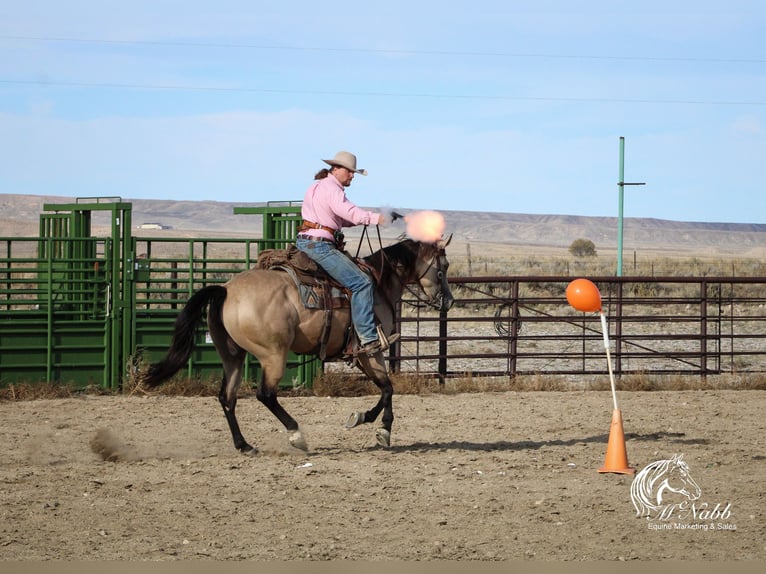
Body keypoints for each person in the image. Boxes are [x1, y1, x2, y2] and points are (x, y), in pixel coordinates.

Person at [295, 151, 388, 356]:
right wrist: (375, 218)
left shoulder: (317, 186)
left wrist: (362, 219)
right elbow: (349, 212)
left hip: (305, 242)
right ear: (336, 169)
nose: (352, 176)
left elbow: (341, 218)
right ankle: (367, 338)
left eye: (354, 173)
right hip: (320, 246)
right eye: (349, 171)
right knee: (362, 282)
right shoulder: (333, 189)